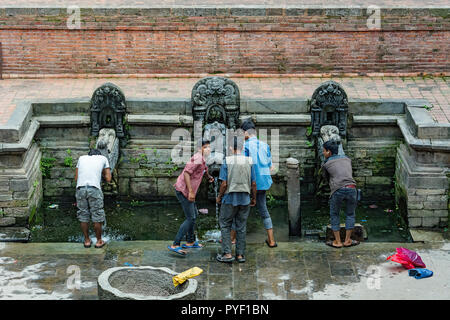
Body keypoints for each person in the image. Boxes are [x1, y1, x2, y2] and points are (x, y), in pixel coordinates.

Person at [168, 139, 214, 255]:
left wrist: (208, 177)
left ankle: (190, 241)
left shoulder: (202, 159)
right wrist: (191, 192)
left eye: (209, 147)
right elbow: (186, 173)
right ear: (200, 149)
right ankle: (175, 244)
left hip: (187, 191)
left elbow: (204, 170)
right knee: (191, 218)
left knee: (194, 215)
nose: (208, 149)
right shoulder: (198, 158)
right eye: (206, 147)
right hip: (183, 190)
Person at [216, 136, 256, 263]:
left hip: (229, 198)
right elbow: (253, 183)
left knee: (225, 224)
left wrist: (219, 196)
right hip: (245, 198)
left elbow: (224, 184)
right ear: (243, 147)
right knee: (241, 226)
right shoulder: (249, 161)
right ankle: (240, 255)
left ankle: (227, 253)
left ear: (230, 148)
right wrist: (253, 198)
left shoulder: (227, 161)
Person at [239, 119, 278, 248]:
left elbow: (243, 167)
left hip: (250, 184)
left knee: (240, 211)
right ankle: (271, 240)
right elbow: (270, 166)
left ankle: (233, 239)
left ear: (245, 133)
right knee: (263, 209)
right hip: (264, 182)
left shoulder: (245, 146)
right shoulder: (265, 145)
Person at [322, 140, 360, 248]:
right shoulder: (347, 159)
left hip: (337, 190)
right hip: (352, 188)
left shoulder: (326, 164)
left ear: (328, 152)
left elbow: (326, 178)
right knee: (350, 214)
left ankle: (338, 242)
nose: (323, 153)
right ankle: (347, 240)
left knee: (335, 214)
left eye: (324, 151)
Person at [74, 148, 111, 249]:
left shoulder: (81, 158)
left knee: (83, 214)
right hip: (94, 189)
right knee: (97, 215)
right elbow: (108, 179)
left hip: (80, 188)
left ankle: (87, 240)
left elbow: (76, 178)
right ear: (99, 155)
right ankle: (99, 241)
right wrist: (102, 173)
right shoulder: (103, 158)